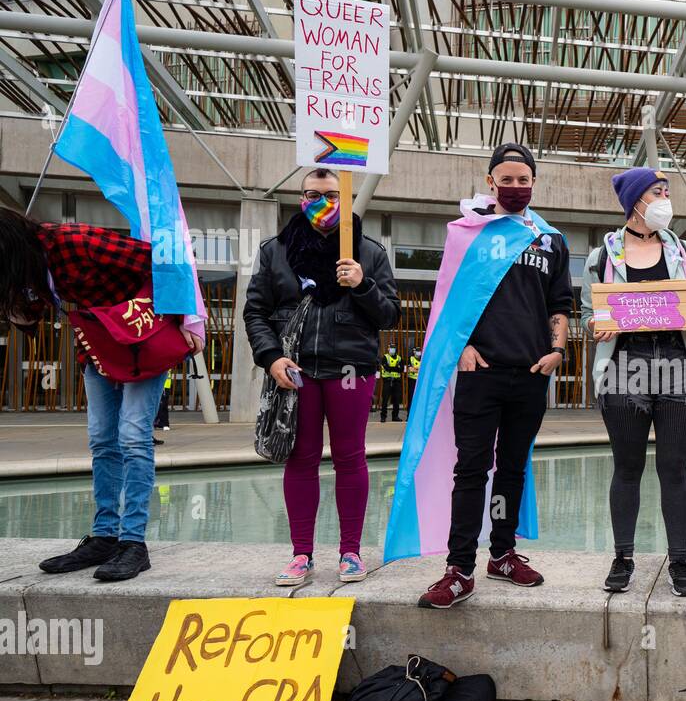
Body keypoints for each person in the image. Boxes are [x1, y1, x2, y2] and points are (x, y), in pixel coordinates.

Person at [392, 143, 571, 609]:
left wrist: (557, 350)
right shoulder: (467, 234)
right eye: (506, 179)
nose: (515, 187)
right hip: (481, 373)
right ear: (490, 182)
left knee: (512, 468)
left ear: (534, 182)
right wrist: (463, 346)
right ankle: (459, 568)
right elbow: (451, 300)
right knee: (471, 469)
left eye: (523, 179)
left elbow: (560, 304)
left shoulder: (550, 239)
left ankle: (503, 553)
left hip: (531, 374)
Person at [0, 209, 203, 582]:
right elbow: (30, 317)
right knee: (102, 441)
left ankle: (133, 543)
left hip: (143, 342)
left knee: (133, 437)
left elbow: (166, 263)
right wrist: (14, 309)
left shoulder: (76, 242)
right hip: (97, 348)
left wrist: (190, 319)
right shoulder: (30, 269)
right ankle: (105, 536)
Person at [244, 168, 399, 586]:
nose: (322, 202)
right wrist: (271, 357)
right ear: (300, 197)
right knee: (301, 457)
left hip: (350, 368)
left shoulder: (369, 253)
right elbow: (256, 311)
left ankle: (351, 551)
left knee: (351, 457)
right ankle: (301, 554)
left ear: (347, 201)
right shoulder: (275, 251)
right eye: (312, 193)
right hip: (296, 369)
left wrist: (362, 284)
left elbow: (389, 314)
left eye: (332, 195)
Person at [579, 167, 686, 596]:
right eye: (657, 191)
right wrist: (596, 325)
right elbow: (587, 313)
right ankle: (623, 557)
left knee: (674, 469)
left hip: (678, 367)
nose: (665, 198)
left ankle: (680, 561)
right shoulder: (602, 256)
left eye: (666, 191)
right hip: (622, 370)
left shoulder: (684, 250)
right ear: (636, 201)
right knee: (627, 467)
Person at [379, 344, 405, 422]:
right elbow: (386, 368)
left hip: (397, 381)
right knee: (385, 399)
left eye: (393, 348)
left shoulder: (399, 358)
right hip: (387, 380)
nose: (392, 349)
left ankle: (395, 416)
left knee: (396, 400)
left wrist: (392, 368)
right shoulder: (385, 357)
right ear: (388, 349)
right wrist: (396, 368)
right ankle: (383, 417)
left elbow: (401, 369)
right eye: (391, 348)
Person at [406, 346, 421, 415]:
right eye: (417, 351)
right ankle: (409, 415)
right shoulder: (411, 359)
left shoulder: (423, 359)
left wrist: (415, 369)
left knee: (419, 399)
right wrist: (418, 369)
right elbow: (410, 369)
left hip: (420, 382)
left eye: (419, 351)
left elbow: (424, 370)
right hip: (412, 381)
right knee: (411, 398)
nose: (418, 352)